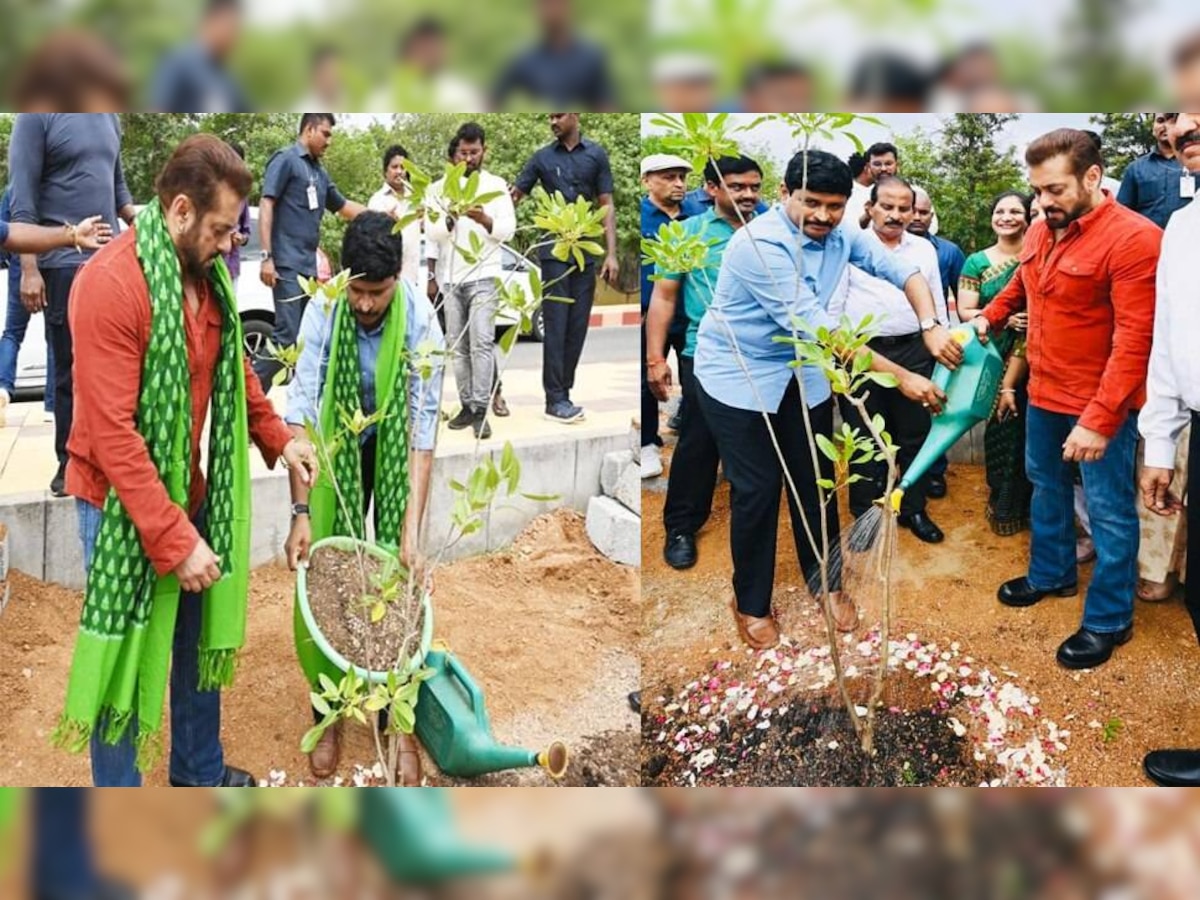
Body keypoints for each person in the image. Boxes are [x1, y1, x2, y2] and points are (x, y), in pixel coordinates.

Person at [56, 134, 319, 786]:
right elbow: (113, 434)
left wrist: (280, 437)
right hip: (119, 506)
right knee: (126, 664)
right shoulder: (111, 286)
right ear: (178, 211)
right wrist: (175, 539)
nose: (232, 244)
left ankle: (196, 775)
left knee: (195, 645)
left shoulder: (208, 284)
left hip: (189, 494)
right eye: (222, 229)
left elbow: (236, 373)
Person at [693, 149, 960, 650]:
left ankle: (826, 582)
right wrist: (902, 376)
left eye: (834, 206)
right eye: (810, 202)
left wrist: (929, 326)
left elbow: (904, 270)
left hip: (804, 378)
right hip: (741, 376)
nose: (822, 216)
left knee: (814, 482)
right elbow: (821, 331)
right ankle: (750, 601)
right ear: (784, 194)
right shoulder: (759, 246)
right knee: (757, 489)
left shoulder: (842, 234)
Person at [970, 128, 1161, 671]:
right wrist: (987, 319)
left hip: (1101, 402)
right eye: (1037, 190)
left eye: (1054, 189)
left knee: (1107, 510)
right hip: (1045, 391)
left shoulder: (1134, 239)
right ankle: (1051, 573)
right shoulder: (1040, 229)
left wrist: (1100, 420)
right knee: (1045, 484)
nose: (1043, 202)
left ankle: (1108, 618)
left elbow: (1134, 340)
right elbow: (1021, 287)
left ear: (1093, 177)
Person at [284, 211, 444, 783]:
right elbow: (301, 414)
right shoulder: (326, 305)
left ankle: (396, 719)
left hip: (394, 444)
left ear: (397, 280)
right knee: (331, 569)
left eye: (377, 293)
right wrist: (301, 512)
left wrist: (410, 533)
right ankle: (329, 710)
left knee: (395, 578)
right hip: (339, 441)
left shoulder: (422, 319)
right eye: (358, 290)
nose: (366, 305)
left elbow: (424, 432)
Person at [8, 112, 137, 496]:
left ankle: (111, 459)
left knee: (115, 368)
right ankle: (70, 464)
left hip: (111, 263)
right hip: (63, 264)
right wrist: (30, 269)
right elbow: (22, 200)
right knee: (69, 369)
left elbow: (119, 189)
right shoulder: (36, 117)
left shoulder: (109, 116)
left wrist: (146, 225)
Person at [646, 154, 763, 569]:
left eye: (754, 186)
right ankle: (681, 526)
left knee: (757, 440)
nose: (748, 194)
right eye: (738, 186)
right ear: (711, 189)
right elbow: (664, 297)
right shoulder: (686, 233)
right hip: (706, 353)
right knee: (699, 440)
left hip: (768, 355)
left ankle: (751, 521)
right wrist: (655, 358)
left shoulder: (772, 230)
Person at [832, 175, 948, 544]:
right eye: (888, 206)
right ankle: (865, 515)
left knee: (916, 434)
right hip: (862, 352)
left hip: (915, 349)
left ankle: (912, 507)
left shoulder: (923, 249)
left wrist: (941, 342)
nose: (896, 215)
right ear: (870, 208)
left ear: (915, 212)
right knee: (865, 436)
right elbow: (832, 312)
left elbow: (935, 301)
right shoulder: (849, 247)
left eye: (904, 208)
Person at [1137, 111, 1200, 787]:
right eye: (1182, 128)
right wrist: (1161, 439)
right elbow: (1171, 340)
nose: (1189, 129)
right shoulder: (1183, 227)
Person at [512, 112, 619, 424]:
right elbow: (516, 194)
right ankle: (554, 399)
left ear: (576, 115)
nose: (552, 121)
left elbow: (606, 205)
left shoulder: (596, 155)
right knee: (556, 325)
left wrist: (611, 254)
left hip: (585, 250)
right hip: (554, 251)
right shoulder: (541, 158)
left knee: (577, 326)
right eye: (548, 116)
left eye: (558, 115)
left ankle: (564, 393)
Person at [255, 114, 366, 391]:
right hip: (286, 264)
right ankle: (248, 401)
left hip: (308, 270)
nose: (329, 141)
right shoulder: (286, 160)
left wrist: (380, 215)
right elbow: (266, 204)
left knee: (307, 340)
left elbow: (343, 207)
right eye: (326, 134)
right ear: (309, 129)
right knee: (285, 339)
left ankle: (301, 409)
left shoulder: (319, 172)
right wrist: (267, 257)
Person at [426, 123, 516, 441]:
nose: (468, 157)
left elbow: (509, 229)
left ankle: (481, 410)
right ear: (455, 154)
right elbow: (432, 233)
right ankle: (465, 405)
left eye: (474, 152)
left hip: (484, 275)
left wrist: (484, 219)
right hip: (450, 277)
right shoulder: (438, 189)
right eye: (463, 152)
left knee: (481, 341)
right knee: (457, 345)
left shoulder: (495, 186)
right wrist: (450, 217)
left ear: (483, 151)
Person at [956, 191, 1034, 536]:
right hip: (994, 355)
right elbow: (965, 311)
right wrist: (1008, 319)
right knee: (1002, 426)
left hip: (1036, 353)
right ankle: (1001, 498)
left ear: (1027, 216)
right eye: (1000, 210)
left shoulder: (1037, 253)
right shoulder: (977, 262)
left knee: (1030, 430)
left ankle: (1029, 502)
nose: (1007, 217)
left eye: (1015, 211)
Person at [907, 186, 964, 499]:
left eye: (924, 212)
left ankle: (934, 472)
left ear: (932, 215)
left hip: (933, 339)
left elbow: (961, 295)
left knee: (934, 406)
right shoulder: (878, 249)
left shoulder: (948, 251)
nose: (917, 217)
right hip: (896, 340)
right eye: (911, 210)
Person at [640, 153, 692, 480]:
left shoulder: (698, 217)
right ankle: (647, 443)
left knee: (695, 381)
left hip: (690, 315)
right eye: (669, 177)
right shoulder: (640, 217)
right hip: (649, 316)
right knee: (646, 381)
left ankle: (693, 446)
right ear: (647, 181)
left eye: (682, 177)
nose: (679, 184)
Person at [492, 0, 615, 110]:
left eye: (556, 3)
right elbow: (494, 99)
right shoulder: (523, 59)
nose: (551, 10)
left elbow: (605, 104)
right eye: (544, 4)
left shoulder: (591, 56)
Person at [0, 186, 56, 420]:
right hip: (53, 261)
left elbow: (4, 233)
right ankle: (52, 407)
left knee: (12, 333)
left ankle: (2, 388)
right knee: (54, 336)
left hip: (19, 268)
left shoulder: (13, 191)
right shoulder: (53, 184)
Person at [150, 0, 251, 112]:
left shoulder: (229, 78)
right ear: (210, 21)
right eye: (231, 27)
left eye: (238, 30)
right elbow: (158, 107)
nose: (235, 37)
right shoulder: (177, 61)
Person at [1116, 113, 1194, 229]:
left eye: (1172, 120)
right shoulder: (1136, 168)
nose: (1165, 126)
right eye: (1160, 120)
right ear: (1153, 128)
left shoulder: (1194, 164)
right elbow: (1122, 213)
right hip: (1148, 243)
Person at [368, 144, 423, 285]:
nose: (399, 171)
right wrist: (387, 224)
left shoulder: (417, 199)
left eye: (403, 167)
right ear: (385, 171)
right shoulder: (377, 200)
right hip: (386, 281)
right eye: (394, 167)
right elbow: (370, 239)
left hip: (413, 278)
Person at [220, 143, 252, 293]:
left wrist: (241, 238)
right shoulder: (208, 191)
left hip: (232, 266)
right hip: (211, 265)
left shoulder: (242, 197)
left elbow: (246, 232)